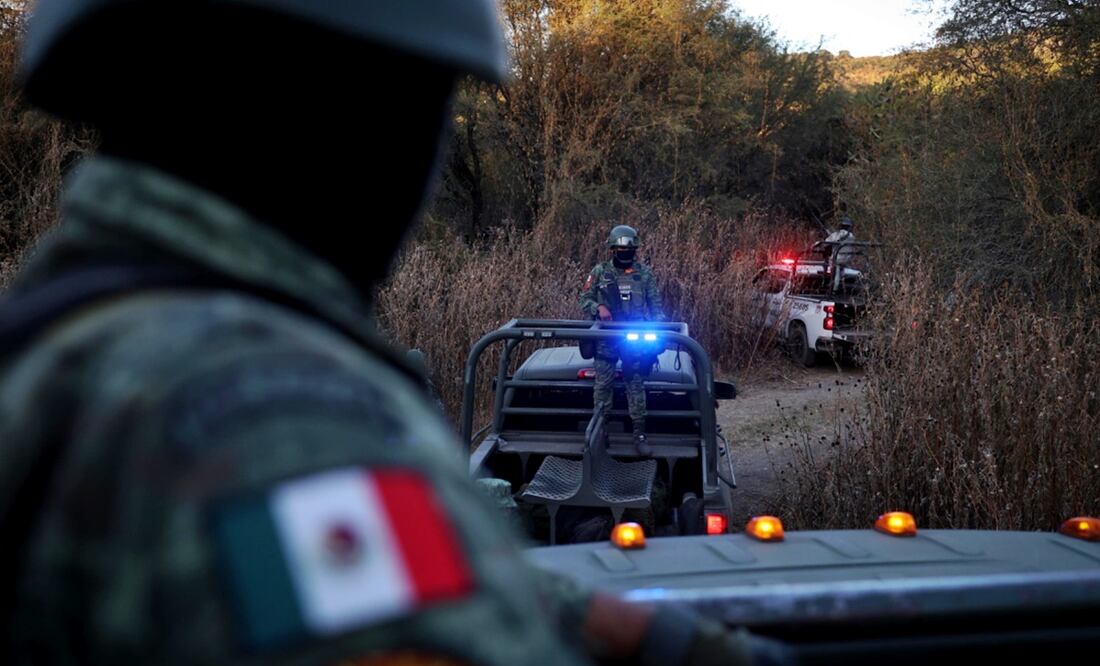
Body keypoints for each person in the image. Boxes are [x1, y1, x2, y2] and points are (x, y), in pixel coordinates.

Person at [0, 2, 793, 665]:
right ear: (376, 114)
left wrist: (589, 616)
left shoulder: (61, 342)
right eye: (436, 106)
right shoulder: (274, 414)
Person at [579, 225, 665, 456]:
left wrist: (661, 332)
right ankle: (600, 432)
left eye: (630, 249)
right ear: (612, 249)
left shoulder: (644, 274)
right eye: (620, 249)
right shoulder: (599, 272)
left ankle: (639, 434)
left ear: (635, 250)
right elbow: (584, 298)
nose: (625, 253)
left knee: (635, 383)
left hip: (634, 339)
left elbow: (656, 307)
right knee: (603, 385)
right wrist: (598, 307)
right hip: (606, 338)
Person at [824, 214, 856, 292]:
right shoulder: (852, 236)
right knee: (839, 269)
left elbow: (826, 242)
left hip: (837, 258)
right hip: (847, 258)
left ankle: (834, 289)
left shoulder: (838, 234)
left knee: (834, 268)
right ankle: (841, 287)